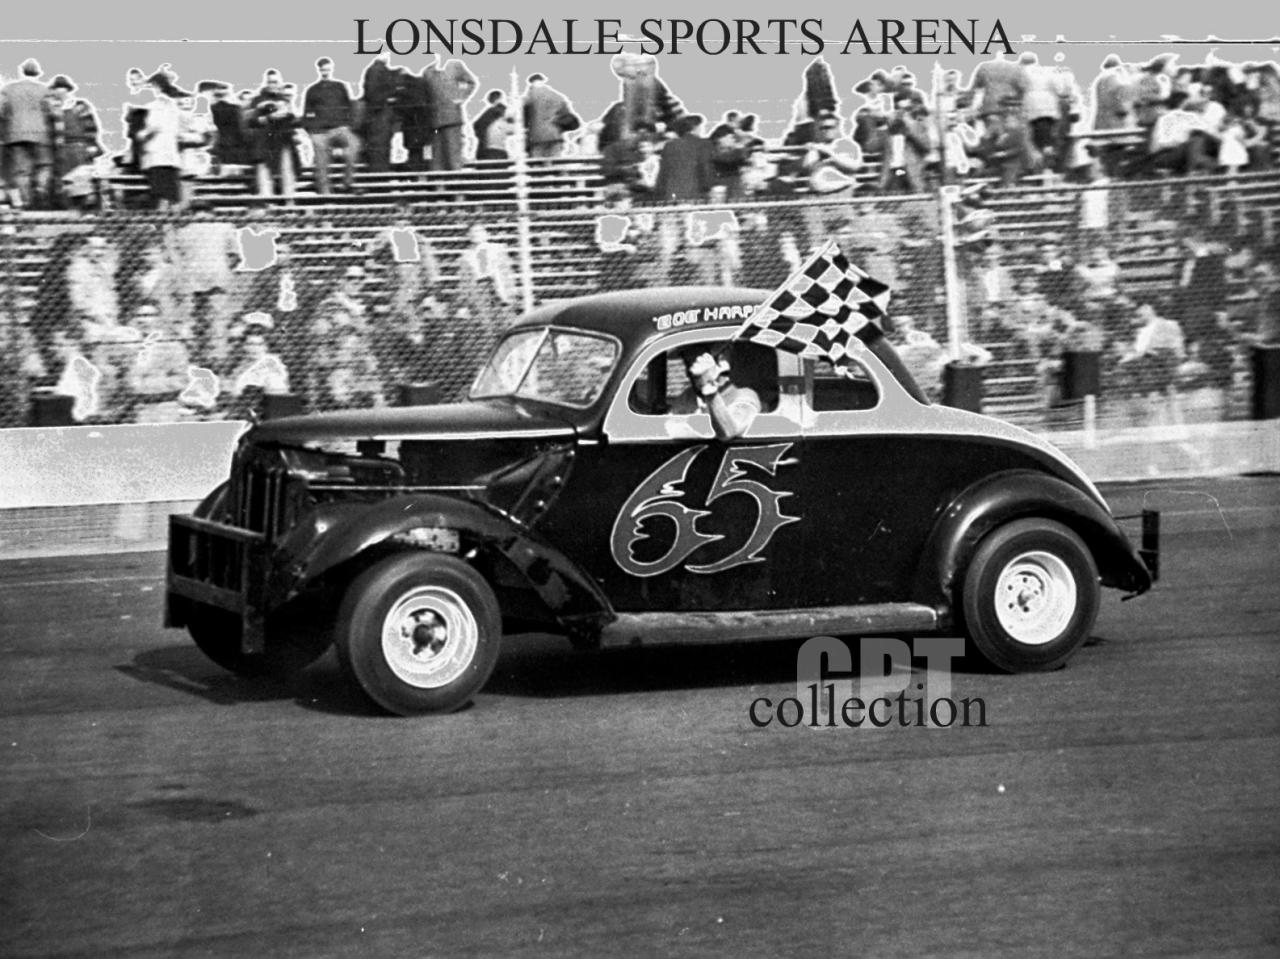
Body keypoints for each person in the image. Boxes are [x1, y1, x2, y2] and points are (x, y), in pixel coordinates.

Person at [670, 345, 763, 440]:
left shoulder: (745, 396)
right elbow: (669, 426)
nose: (689, 372)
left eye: (695, 362)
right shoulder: (687, 397)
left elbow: (728, 432)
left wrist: (709, 387)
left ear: (720, 363)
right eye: (687, 363)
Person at [302, 57, 359, 194]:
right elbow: (307, 114)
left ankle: (347, 183)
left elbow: (349, 107)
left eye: (327, 69)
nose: (325, 72)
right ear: (319, 70)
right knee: (321, 158)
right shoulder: (312, 90)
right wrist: (312, 132)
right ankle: (325, 193)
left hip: (340, 128)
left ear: (331, 69)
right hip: (320, 132)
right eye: (323, 69)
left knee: (354, 144)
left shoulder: (340, 87)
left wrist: (348, 125)